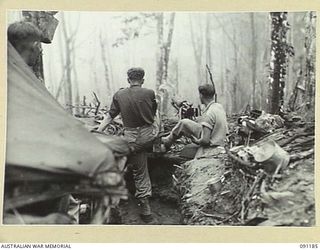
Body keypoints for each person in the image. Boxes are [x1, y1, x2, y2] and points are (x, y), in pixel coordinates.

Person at [97, 67, 158, 223]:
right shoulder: (150, 93)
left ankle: (113, 206)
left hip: (130, 138)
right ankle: (146, 212)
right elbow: (153, 114)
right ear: (142, 80)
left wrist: (98, 131)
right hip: (146, 137)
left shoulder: (119, 94)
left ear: (128, 80)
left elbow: (110, 116)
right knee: (141, 171)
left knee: (123, 162)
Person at [162, 84, 228, 150]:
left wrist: (196, 141)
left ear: (201, 95)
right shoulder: (219, 107)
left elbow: (205, 141)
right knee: (185, 122)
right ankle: (168, 140)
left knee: (183, 123)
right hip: (219, 138)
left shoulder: (209, 113)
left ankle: (168, 141)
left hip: (212, 144)